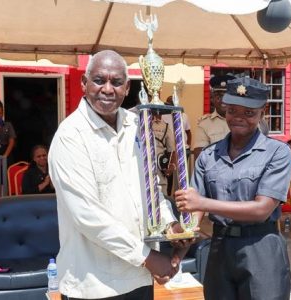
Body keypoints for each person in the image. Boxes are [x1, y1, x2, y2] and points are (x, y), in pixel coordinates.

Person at [49, 50, 190, 300]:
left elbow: (150, 188)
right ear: (84, 83)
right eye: (99, 80)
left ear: (127, 88)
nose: (107, 89)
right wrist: (147, 257)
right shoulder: (71, 136)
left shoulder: (135, 125)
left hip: (138, 278)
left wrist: (170, 224)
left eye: (116, 82)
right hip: (93, 283)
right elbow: (87, 216)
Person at [175, 76, 291, 300]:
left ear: (262, 112)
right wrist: (177, 252)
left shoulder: (277, 152)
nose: (239, 118)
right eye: (232, 111)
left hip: (261, 249)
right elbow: (194, 209)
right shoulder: (209, 156)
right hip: (219, 249)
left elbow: (262, 209)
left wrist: (203, 203)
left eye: (249, 113)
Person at [193, 74, 232, 161]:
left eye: (227, 97)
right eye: (218, 97)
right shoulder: (204, 124)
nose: (223, 100)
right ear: (212, 99)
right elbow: (200, 158)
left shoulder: (244, 122)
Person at [152, 111, 176, 196]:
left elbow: (172, 149)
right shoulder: (138, 122)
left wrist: (171, 165)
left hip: (159, 166)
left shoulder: (165, 126)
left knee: (162, 197)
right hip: (142, 165)